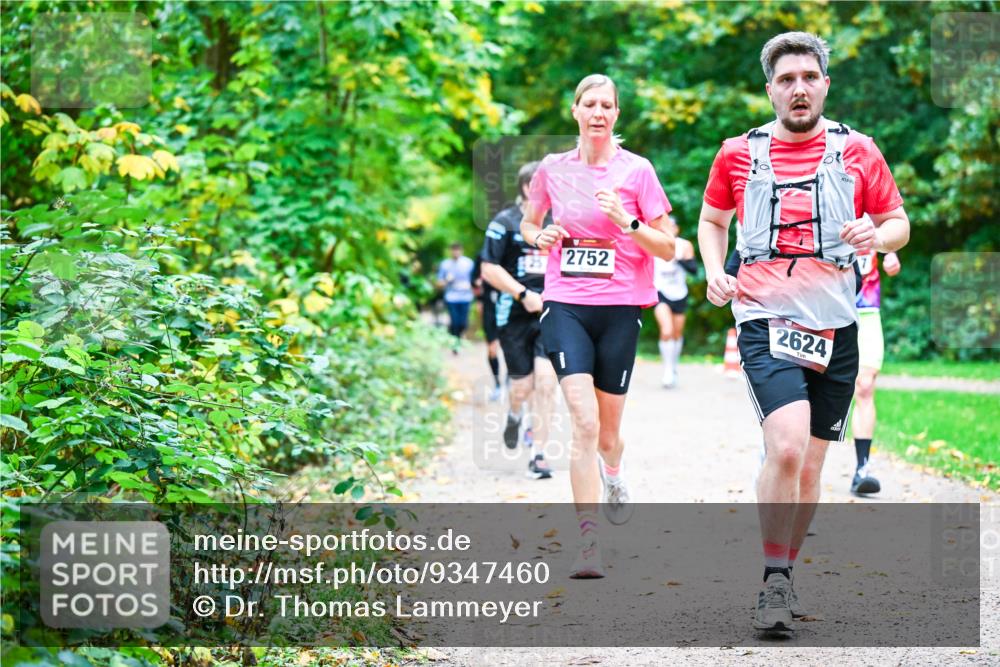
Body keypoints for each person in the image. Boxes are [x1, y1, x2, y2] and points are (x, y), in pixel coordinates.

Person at [697, 32, 909, 632]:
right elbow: (713, 220)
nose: (798, 89)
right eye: (786, 80)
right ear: (770, 90)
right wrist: (716, 270)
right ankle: (772, 583)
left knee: (811, 466)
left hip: (836, 321)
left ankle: (786, 573)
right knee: (786, 445)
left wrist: (878, 236)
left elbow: (898, 223)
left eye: (808, 78)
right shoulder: (738, 153)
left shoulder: (859, 151)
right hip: (765, 315)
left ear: (824, 84)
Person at [521, 74, 676, 578]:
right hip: (565, 302)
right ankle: (589, 545)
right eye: (590, 103)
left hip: (621, 308)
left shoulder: (638, 171)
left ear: (616, 115)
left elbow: (668, 246)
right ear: (575, 110)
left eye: (607, 105)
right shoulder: (552, 169)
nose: (598, 112)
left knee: (609, 434)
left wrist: (628, 223)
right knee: (583, 423)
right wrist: (541, 235)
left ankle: (614, 473)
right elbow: (529, 222)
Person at [481, 161, 556, 479]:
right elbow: (488, 269)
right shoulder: (505, 221)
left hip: (553, 311)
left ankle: (538, 455)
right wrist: (523, 294)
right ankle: (514, 414)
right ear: (528, 188)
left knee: (546, 383)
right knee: (522, 386)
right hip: (513, 312)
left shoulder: (558, 221)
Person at [851, 246, 901, 495]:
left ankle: (862, 469)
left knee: (865, 385)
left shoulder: (873, 208)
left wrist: (892, 253)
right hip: (827, 306)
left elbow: (892, 225)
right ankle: (802, 473)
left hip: (867, 307)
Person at [653, 218, 697, 387]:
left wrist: (677, 259)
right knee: (667, 330)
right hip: (660, 292)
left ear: (677, 228)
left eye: (671, 226)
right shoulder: (655, 243)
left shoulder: (685, 245)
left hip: (680, 293)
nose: (668, 229)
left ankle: (673, 366)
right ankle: (667, 370)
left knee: (677, 333)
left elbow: (693, 269)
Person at [472, 251, 504, 401]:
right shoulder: (483, 255)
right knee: (492, 349)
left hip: (510, 307)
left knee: (513, 347)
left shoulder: (513, 249)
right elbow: (473, 280)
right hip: (489, 308)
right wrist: (478, 297)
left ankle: (514, 380)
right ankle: (498, 384)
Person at [436, 243, 475, 353]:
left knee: (463, 323)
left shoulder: (469, 263)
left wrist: (472, 285)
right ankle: (455, 344)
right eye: (453, 250)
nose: (456, 252)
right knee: (454, 321)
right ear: (450, 251)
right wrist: (447, 280)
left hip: (466, 297)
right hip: (451, 298)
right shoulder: (445, 265)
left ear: (461, 251)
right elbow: (439, 283)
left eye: (458, 250)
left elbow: (475, 278)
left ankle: (457, 337)